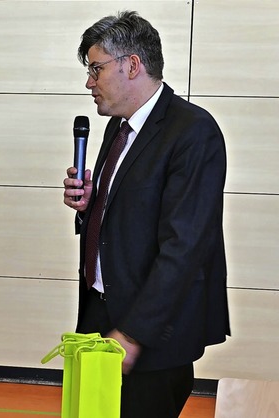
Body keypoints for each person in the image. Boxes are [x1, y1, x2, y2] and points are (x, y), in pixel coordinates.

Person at [62, 11, 229, 418]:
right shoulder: (116, 129)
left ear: (132, 65)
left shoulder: (192, 132)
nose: (89, 82)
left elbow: (184, 247)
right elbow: (121, 219)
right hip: (99, 315)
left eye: (96, 69)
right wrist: (89, 207)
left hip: (151, 332)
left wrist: (133, 335)